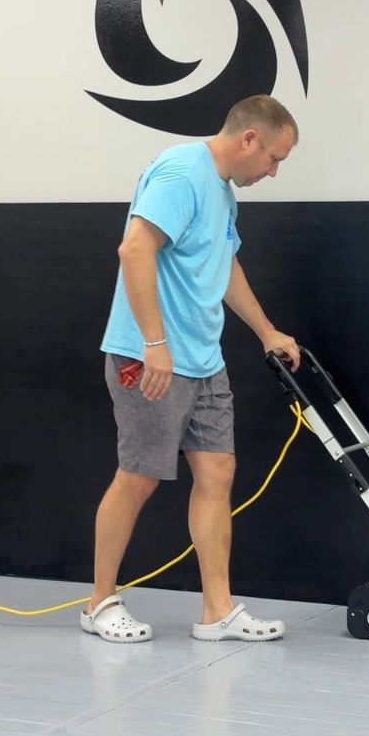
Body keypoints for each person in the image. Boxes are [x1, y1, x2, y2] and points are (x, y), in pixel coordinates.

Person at [80, 95, 300, 644]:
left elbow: (222, 266)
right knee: (139, 476)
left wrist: (266, 330)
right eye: (274, 158)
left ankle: (217, 611)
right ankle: (100, 602)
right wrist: (154, 343)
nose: (273, 171)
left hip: (203, 360)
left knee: (217, 474)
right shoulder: (182, 172)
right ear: (249, 139)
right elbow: (134, 248)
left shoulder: (222, 192)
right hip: (150, 358)